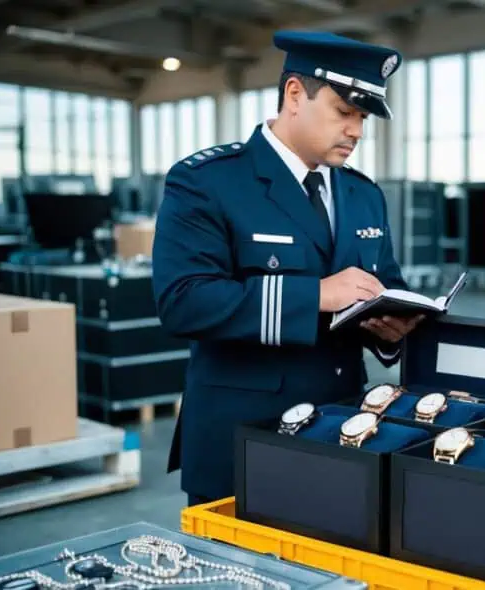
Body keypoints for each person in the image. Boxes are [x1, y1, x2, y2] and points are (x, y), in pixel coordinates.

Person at [152, 31, 422, 506]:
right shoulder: (209, 182)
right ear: (295, 94)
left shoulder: (363, 195)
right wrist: (316, 295)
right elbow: (183, 302)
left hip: (341, 431)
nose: (357, 130)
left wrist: (390, 328)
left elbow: (385, 284)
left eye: (362, 117)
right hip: (241, 439)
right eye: (345, 112)